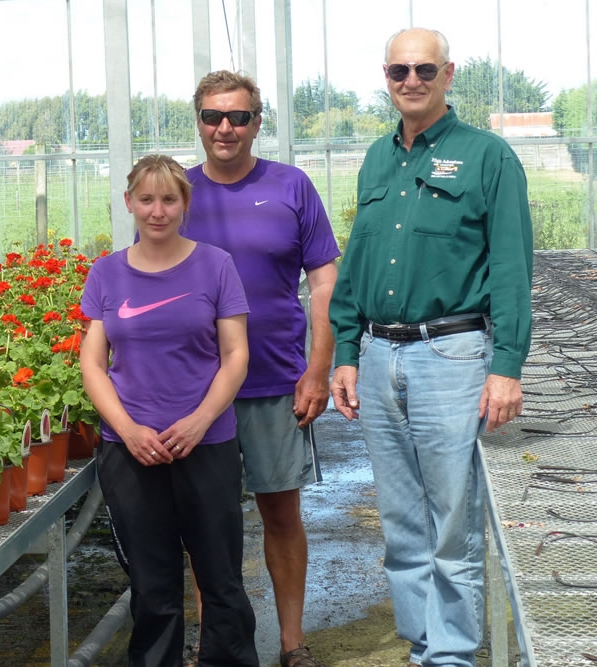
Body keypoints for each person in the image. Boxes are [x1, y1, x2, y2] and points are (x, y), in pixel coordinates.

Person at [329, 28, 533, 667]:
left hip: (451, 354)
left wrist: (506, 366)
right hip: (380, 351)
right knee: (400, 517)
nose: (410, 82)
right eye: (398, 71)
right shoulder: (376, 158)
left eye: (423, 70)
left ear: (448, 74)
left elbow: (511, 266)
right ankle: (422, 642)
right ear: (385, 77)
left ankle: (450, 655)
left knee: (452, 517)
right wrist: (345, 350)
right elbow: (356, 260)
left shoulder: (487, 155)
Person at [183, 70, 340, 667]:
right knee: (206, 522)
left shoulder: (290, 186)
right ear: (198, 121)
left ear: (257, 123)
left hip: (276, 379)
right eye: (213, 116)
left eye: (239, 117)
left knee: (281, 509)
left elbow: (324, 281)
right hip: (198, 388)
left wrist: (318, 368)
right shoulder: (179, 191)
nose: (226, 128)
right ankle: (214, 642)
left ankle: (292, 643)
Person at [80, 154, 258, 667]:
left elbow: (236, 355)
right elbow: (94, 364)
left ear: (185, 204)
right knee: (151, 586)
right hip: (131, 451)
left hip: (207, 444)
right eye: (147, 199)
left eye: (169, 199)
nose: (158, 211)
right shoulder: (107, 273)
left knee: (221, 578)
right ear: (130, 202)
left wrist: (202, 419)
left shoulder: (216, 265)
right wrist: (128, 429)